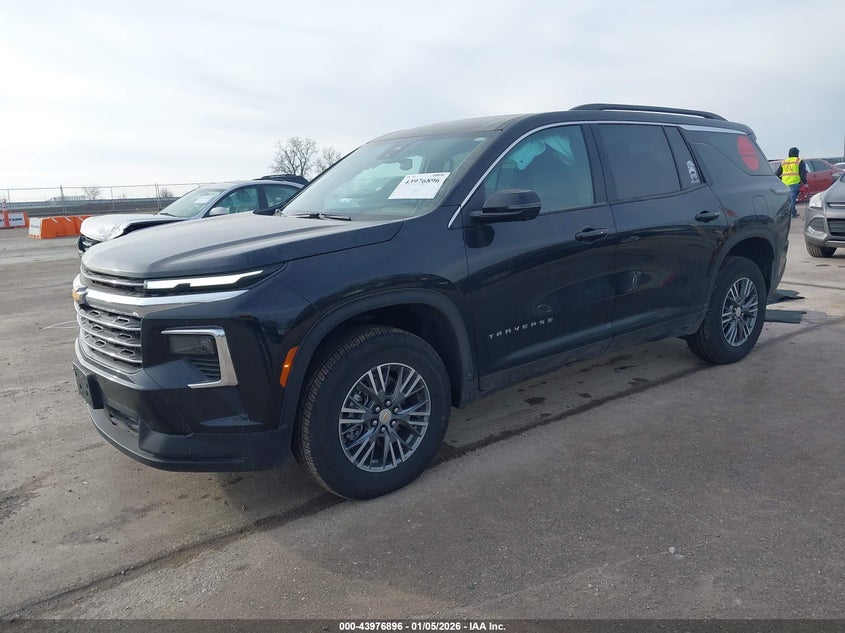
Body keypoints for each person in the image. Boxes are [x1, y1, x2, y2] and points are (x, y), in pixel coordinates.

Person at [775, 147, 807, 218]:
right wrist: (805, 183)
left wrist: (781, 179)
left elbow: (777, 173)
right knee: (792, 200)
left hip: (784, 184)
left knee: (785, 200)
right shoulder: (799, 161)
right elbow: (802, 173)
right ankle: (792, 214)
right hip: (794, 183)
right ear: (797, 154)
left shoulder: (784, 162)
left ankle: (788, 213)